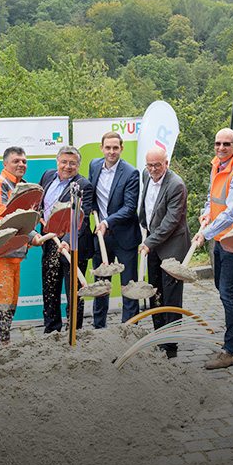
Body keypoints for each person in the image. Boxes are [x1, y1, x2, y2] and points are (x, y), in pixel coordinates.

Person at [193, 128, 233, 369]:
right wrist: (205, 214)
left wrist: (203, 234)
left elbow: (231, 212)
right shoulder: (218, 165)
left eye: (226, 144)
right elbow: (213, 198)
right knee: (223, 288)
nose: (221, 148)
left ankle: (231, 350)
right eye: (218, 143)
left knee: (228, 293)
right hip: (220, 237)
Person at [138, 146, 190, 358]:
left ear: (166, 163)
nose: (153, 170)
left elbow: (170, 221)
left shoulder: (176, 185)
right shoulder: (146, 175)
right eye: (149, 165)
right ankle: (158, 335)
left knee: (171, 296)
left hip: (172, 245)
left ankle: (170, 346)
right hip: (153, 243)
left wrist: (149, 242)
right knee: (154, 291)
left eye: (157, 165)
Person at [35, 146, 94, 333]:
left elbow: (82, 220)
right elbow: (39, 202)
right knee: (50, 291)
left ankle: (73, 333)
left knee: (73, 294)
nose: (67, 166)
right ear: (57, 162)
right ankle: (51, 331)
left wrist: (68, 240)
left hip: (73, 246)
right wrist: (37, 215)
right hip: (49, 242)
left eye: (72, 163)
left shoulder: (83, 185)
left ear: (78, 165)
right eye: (64, 162)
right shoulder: (47, 176)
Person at [87, 131, 141, 328]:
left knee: (129, 287)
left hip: (125, 238)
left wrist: (106, 222)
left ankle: (129, 328)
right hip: (101, 239)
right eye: (108, 147)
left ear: (121, 149)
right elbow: (92, 194)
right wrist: (92, 212)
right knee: (101, 285)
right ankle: (99, 327)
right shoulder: (94, 165)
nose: (111, 151)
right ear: (101, 148)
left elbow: (129, 208)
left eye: (115, 148)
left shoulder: (130, 173)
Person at [0, 146, 31, 346]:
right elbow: (4, 216)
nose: (21, 164)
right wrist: (33, 234)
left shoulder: (25, 186)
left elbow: (32, 216)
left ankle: (2, 348)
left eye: (24, 161)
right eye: (16, 161)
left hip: (14, 255)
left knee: (9, 307)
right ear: (5, 164)